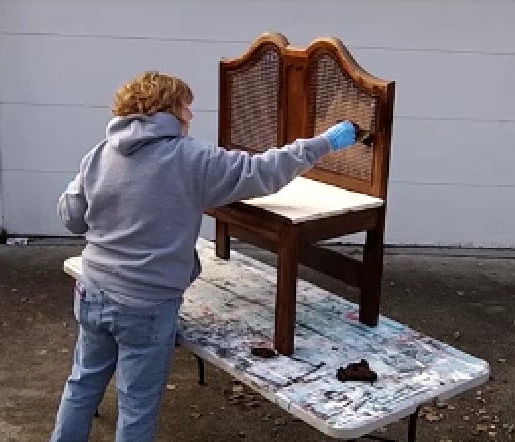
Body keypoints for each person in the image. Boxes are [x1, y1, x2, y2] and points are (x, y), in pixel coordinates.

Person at [50, 71, 356, 441]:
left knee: (82, 383)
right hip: (145, 306)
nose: (191, 116)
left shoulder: (100, 153)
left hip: (92, 290)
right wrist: (324, 142)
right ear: (169, 109)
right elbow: (263, 173)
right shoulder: (192, 159)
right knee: (136, 406)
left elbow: (71, 217)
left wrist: (79, 183)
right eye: (187, 107)